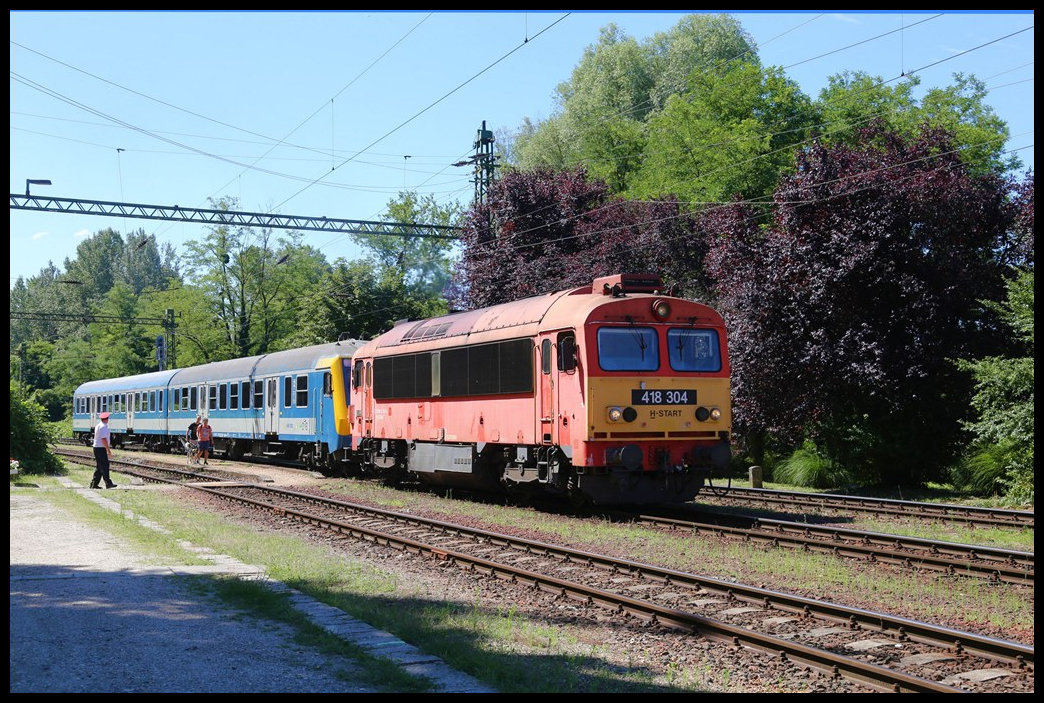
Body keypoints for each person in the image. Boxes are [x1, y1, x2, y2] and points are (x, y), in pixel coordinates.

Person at [89, 411, 117, 489]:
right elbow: (104, 439)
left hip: (97, 448)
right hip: (100, 448)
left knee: (99, 467)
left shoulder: (99, 425)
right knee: (105, 466)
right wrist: (108, 450)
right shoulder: (104, 426)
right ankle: (108, 483)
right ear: (107, 419)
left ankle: (94, 484)